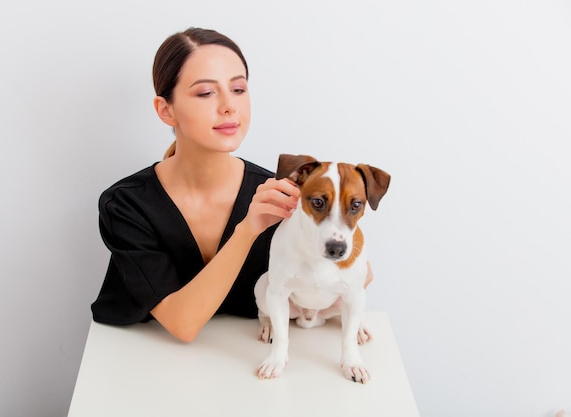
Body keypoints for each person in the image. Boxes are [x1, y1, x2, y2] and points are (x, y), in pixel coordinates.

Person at [91, 27, 373, 343]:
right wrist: (248, 229)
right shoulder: (126, 205)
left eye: (238, 89)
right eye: (205, 93)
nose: (229, 106)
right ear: (166, 110)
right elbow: (183, 325)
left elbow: (360, 275)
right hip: (133, 354)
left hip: (251, 353)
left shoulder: (284, 195)